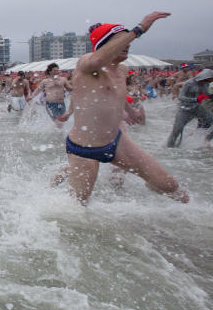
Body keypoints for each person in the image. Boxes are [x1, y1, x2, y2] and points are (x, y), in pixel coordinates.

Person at [58, 15, 188, 203]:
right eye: (120, 41)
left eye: (127, 41)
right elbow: (96, 60)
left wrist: (130, 110)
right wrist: (139, 29)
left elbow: (117, 93)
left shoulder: (122, 70)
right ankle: (62, 174)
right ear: (105, 45)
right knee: (77, 206)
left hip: (117, 142)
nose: (127, 44)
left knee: (170, 186)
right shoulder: (87, 64)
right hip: (83, 148)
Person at [165, 68, 213, 147]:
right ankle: (169, 148)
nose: (210, 81)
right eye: (209, 79)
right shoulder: (189, 83)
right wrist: (195, 99)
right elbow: (180, 97)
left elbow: (204, 95)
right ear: (204, 77)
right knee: (177, 130)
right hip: (185, 109)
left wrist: (210, 96)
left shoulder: (205, 84)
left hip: (197, 108)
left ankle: (206, 142)